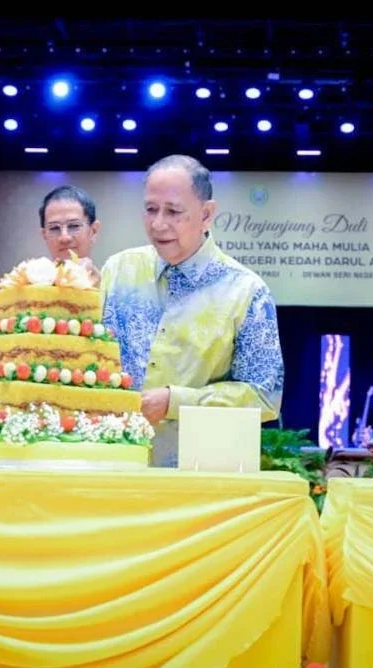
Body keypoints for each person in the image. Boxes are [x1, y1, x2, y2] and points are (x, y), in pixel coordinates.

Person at [100, 154, 284, 467]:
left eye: (173, 211)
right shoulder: (118, 271)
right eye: (150, 209)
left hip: (195, 473)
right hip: (113, 461)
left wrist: (177, 401)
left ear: (207, 214)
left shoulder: (245, 292)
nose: (158, 223)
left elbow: (265, 396)